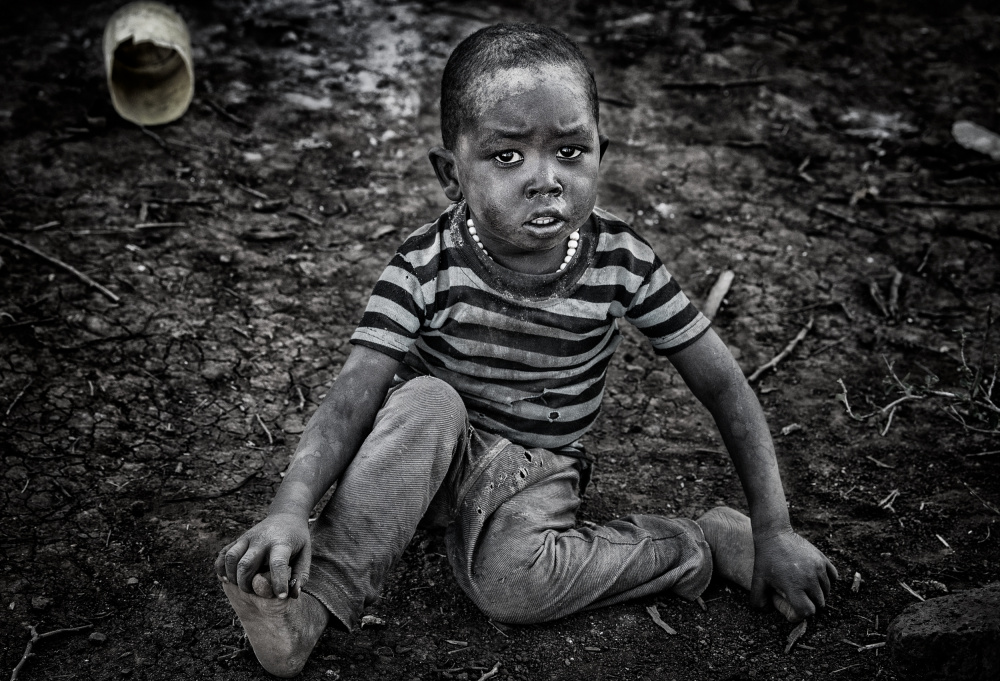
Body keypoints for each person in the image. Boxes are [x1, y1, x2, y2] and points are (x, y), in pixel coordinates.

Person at [215, 22, 838, 678]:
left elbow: (723, 384)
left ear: (602, 151)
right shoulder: (424, 265)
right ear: (449, 173)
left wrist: (772, 527)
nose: (545, 179)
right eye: (507, 156)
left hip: (534, 473)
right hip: (428, 462)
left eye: (570, 151)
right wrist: (289, 508)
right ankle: (310, 607)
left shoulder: (621, 260)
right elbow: (353, 394)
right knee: (426, 399)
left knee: (512, 586)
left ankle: (698, 542)